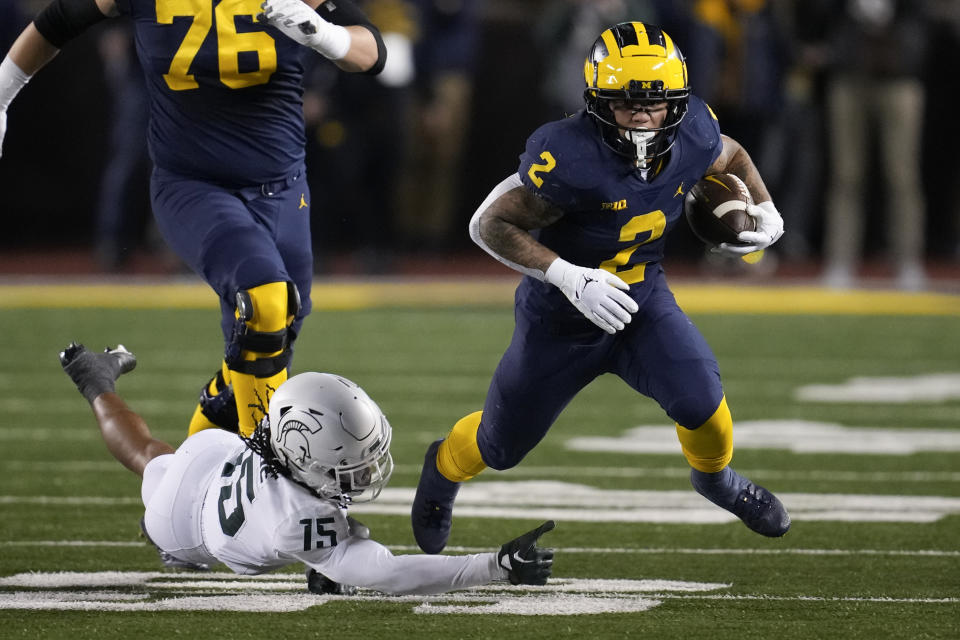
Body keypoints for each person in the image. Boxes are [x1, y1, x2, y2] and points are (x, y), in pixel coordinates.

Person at [410, 21, 790, 555]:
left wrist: (766, 209)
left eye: (654, 103)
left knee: (704, 403)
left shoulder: (696, 132)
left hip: (642, 301)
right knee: (500, 446)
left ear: (677, 103)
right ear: (596, 101)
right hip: (561, 319)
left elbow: (730, 154)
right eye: (625, 102)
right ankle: (443, 467)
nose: (641, 115)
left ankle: (717, 482)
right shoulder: (568, 154)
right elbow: (489, 224)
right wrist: (568, 275)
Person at [0, 0, 386, 439]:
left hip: (283, 193)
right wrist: (1, 96)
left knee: (266, 343)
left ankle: (186, 487)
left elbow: (373, 52)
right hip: (193, 187)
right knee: (265, 300)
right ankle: (265, 472)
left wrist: (323, 33)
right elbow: (58, 21)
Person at [59, 341, 555, 593]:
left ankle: (118, 383)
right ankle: (94, 379)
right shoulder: (299, 518)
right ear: (304, 459)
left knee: (152, 453)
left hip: (218, 453)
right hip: (183, 521)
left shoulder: (284, 436)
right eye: (351, 467)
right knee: (152, 466)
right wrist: (494, 567)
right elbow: (386, 573)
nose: (364, 474)